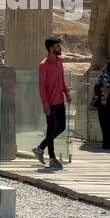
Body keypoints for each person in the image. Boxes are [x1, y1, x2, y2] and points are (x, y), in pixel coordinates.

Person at [34, 36, 71, 169]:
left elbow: (62, 80)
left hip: (60, 101)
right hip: (50, 104)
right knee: (50, 130)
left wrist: (67, 93)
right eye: (57, 46)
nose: (60, 48)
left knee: (61, 127)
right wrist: (45, 105)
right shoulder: (43, 65)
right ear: (51, 49)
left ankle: (40, 148)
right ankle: (52, 158)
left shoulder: (59, 61)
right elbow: (41, 87)